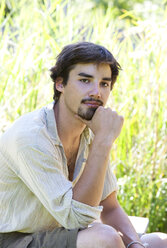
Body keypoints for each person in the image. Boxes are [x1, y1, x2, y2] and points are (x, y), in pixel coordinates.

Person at [0, 42, 166, 248]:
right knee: (105, 238)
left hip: (59, 234)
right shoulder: (31, 136)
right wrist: (103, 140)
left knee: (161, 242)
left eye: (104, 84)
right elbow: (76, 219)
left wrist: (135, 245)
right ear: (60, 84)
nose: (97, 92)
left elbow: (109, 207)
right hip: (14, 240)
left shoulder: (88, 131)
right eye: (85, 80)